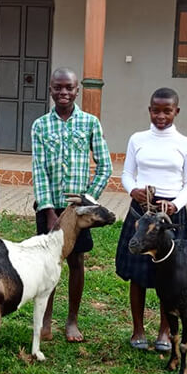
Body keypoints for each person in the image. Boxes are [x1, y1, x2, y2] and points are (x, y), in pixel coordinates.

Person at [31, 67, 112, 343]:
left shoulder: (90, 123)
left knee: (76, 261)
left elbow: (105, 166)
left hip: (80, 214)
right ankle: (45, 320)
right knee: (49, 263)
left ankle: (72, 321)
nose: (63, 92)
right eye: (58, 87)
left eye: (69, 88)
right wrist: (48, 209)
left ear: (77, 90)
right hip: (49, 207)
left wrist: (88, 201)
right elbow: (39, 170)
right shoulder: (40, 126)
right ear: (51, 89)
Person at [115, 87, 187, 352]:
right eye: (155, 110)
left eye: (167, 110)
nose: (160, 115)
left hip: (171, 217)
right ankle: (138, 329)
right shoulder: (137, 139)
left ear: (177, 111)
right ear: (149, 110)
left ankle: (165, 331)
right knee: (138, 275)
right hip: (142, 213)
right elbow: (127, 174)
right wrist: (133, 190)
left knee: (171, 276)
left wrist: (175, 205)